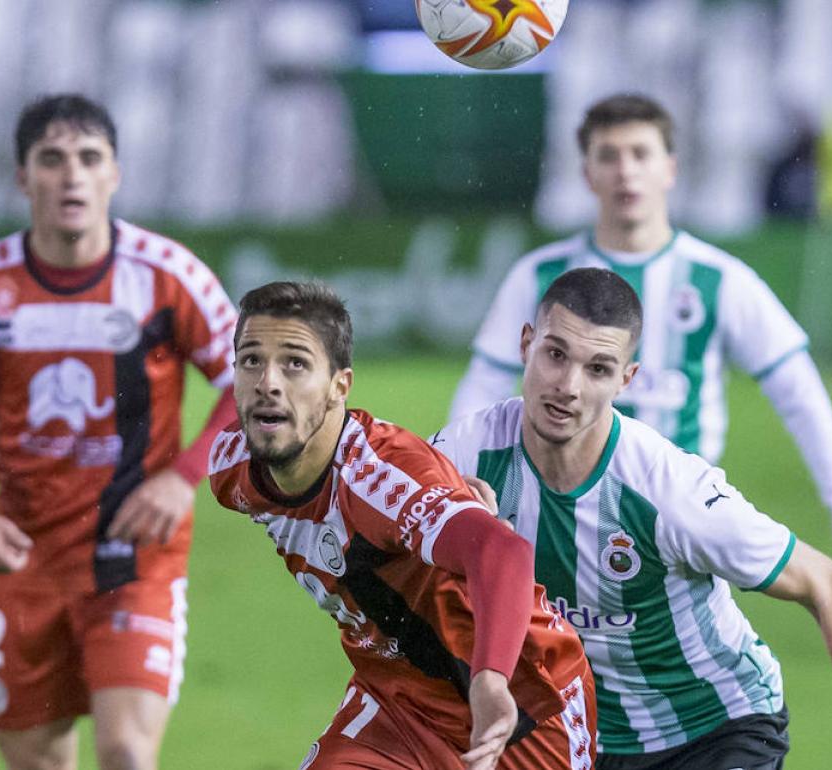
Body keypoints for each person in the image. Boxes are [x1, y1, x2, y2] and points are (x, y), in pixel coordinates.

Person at [434, 268, 832, 770]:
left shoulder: (668, 490)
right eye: (555, 354)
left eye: (597, 369)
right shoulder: (464, 457)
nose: (568, 386)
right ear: (526, 345)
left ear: (626, 380)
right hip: (578, 741)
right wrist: (454, 537)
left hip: (715, 728)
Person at [449, 93, 832, 612]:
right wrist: (453, 491)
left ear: (671, 169)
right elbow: (482, 384)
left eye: (641, 154)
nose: (625, 171)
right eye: (608, 156)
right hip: (550, 525)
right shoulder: (539, 276)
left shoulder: (719, 280)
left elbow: (800, 396)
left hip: (677, 532)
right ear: (587, 173)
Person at [0, 94, 240, 769]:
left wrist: (183, 479)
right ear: (23, 177)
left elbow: (246, 381)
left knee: (124, 752)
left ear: (114, 174)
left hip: (132, 556)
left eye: (89, 159)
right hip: (24, 560)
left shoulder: (168, 276)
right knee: (37, 761)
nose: (72, 176)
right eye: (52, 160)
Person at [207, 281, 596, 770]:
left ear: (339, 387)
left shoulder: (378, 478)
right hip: (396, 700)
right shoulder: (231, 466)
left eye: (295, 364)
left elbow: (502, 552)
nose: (268, 382)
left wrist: (491, 679)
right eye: (251, 361)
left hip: (520, 704)